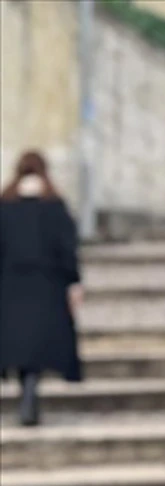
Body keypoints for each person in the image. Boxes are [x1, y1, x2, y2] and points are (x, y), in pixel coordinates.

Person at [0, 150, 84, 426]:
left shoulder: (5, 205)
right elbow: (67, 248)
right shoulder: (55, 206)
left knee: (18, 343)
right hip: (46, 285)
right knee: (37, 343)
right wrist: (73, 282)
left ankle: (27, 393)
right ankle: (30, 392)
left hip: (10, 286)